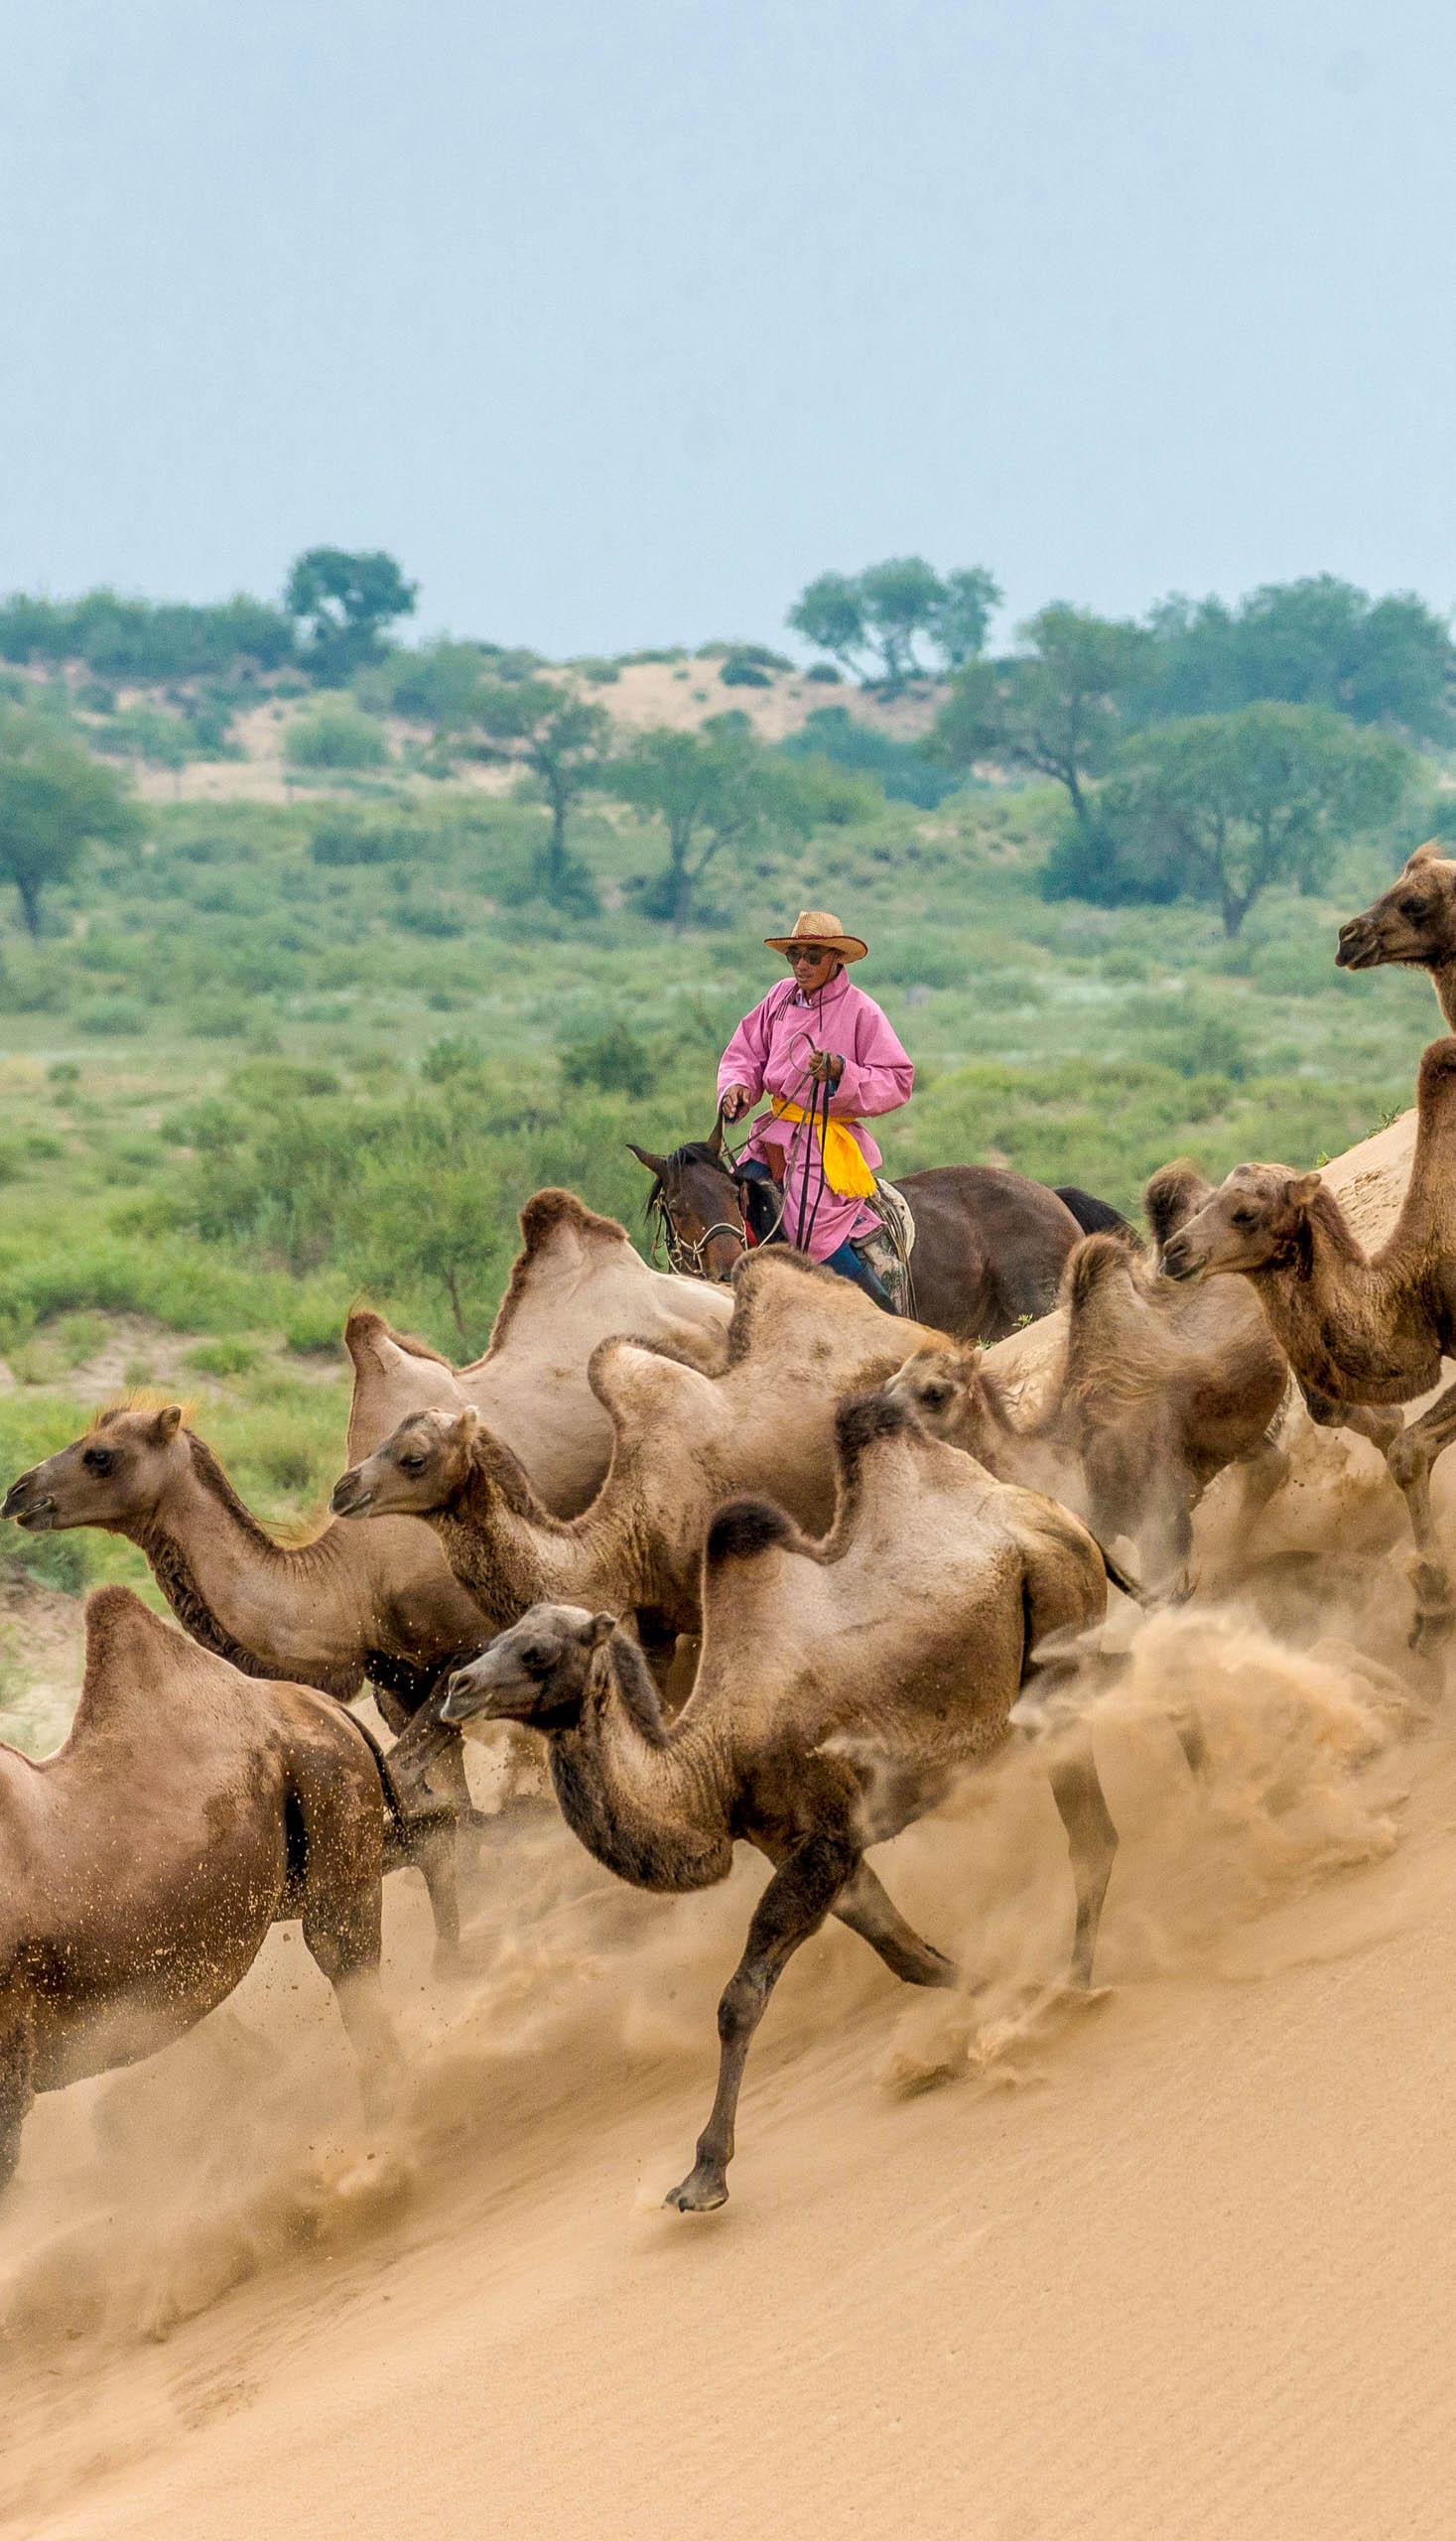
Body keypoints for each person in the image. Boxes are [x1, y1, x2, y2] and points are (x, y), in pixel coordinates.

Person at [717, 908, 913, 1307]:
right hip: (771, 1134)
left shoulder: (861, 1010)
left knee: (811, 1233)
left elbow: (897, 1079)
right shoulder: (779, 997)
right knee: (726, 1203)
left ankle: (882, 1314)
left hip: (824, 1142)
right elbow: (746, 1053)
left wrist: (843, 1072)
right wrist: (736, 1088)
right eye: (795, 956)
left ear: (835, 959)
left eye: (813, 956)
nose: (801, 965)